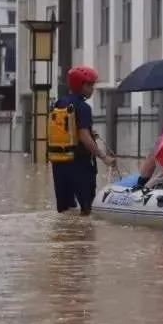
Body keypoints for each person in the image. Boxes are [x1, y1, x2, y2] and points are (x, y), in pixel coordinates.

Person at [49, 66, 116, 215]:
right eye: (89, 85)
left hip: (59, 163)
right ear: (79, 85)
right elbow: (84, 138)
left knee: (65, 211)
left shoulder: (60, 103)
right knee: (88, 211)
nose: (92, 88)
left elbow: (68, 130)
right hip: (79, 164)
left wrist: (89, 132)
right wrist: (104, 157)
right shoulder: (83, 107)